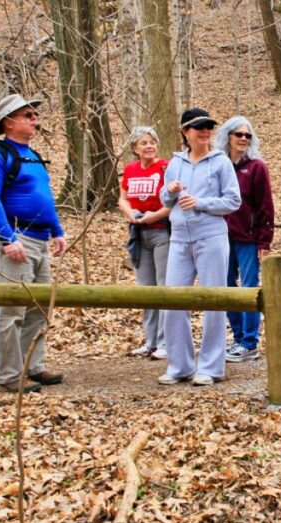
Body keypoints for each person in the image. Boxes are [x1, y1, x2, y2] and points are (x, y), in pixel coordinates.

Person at [0, 94, 67, 393]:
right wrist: (7, 239)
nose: (35, 119)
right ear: (9, 122)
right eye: (28, 115)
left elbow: (45, 196)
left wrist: (58, 230)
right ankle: (9, 375)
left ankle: (33, 366)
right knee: (11, 310)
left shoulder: (32, 156)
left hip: (40, 240)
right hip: (16, 239)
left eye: (34, 115)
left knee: (39, 308)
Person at [157, 108, 241, 386]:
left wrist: (202, 202)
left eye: (208, 127)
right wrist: (169, 192)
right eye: (198, 128)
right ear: (186, 133)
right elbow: (165, 200)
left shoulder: (221, 162)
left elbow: (233, 201)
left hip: (212, 238)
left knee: (213, 301)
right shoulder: (175, 163)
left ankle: (210, 367)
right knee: (173, 301)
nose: (205, 132)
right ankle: (179, 365)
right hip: (179, 238)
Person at [214, 116, 274, 363]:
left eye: (247, 135)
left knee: (249, 289)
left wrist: (264, 242)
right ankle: (237, 338)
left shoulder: (257, 167)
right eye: (238, 134)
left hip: (249, 240)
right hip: (220, 238)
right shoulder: (218, 165)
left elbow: (265, 207)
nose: (243, 139)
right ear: (228, 136)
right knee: (227, 288)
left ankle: (249, 342)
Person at [119, 126, 170, 361]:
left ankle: (165, 341)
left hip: (162, 232)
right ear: (134, 148)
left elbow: (173, 202)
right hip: (139, 234)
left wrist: (155, 216)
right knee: (146, 288)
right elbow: (123, 199)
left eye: (152, 142)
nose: (149, 146)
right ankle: (150, 341)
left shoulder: (165, 167)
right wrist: (131, 214)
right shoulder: (130, 170)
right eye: (143, 143)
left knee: (163, 287)